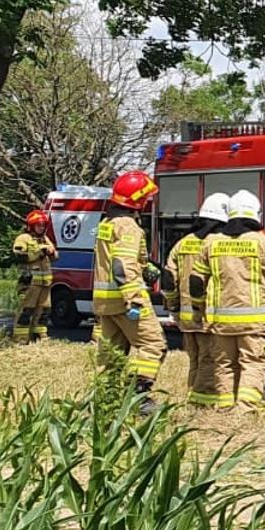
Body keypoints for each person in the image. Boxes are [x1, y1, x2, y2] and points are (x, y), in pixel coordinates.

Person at [193, 191, 265, 408]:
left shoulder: (211, 243)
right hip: (254, 322)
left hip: (221, 322)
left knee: (224, 365)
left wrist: (198, 309)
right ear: (255, 212)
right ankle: (247, 409)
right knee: (253, 363)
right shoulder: (264, 243)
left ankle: (224, 407)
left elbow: (196, 281)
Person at [93, 170, 166, 405]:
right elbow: (121, 266)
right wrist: (134, 299)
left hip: (107, 302)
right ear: (138, 199)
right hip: (126, 300)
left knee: (112, 352)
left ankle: (106, 399)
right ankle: (136, 396)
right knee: (153, 344)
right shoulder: (128, 226)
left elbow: (114, 261)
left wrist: (145, 267)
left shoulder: (107, 223)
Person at [163, 193, 230, 408]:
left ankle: (192, 394)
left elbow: (168, 279)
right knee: (209, 359)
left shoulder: (182, 244)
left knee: (195, 359)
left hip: (186, 315)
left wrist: (173, 307)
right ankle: (202, 402)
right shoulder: (219, 244)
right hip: (208, 313)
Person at [11, 209, 57, 343]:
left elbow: (55, 255)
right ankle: (20, 338)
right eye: (38, 225)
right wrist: (39, 252)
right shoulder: (23, 238)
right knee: (26, 310)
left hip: (45, 283)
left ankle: (40, 336)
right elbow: (19, 256)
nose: (41, 228)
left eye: (43, 225)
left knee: (44, 311)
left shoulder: (45, 238)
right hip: (29, 282)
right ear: (31, 226)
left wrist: (51, 252)